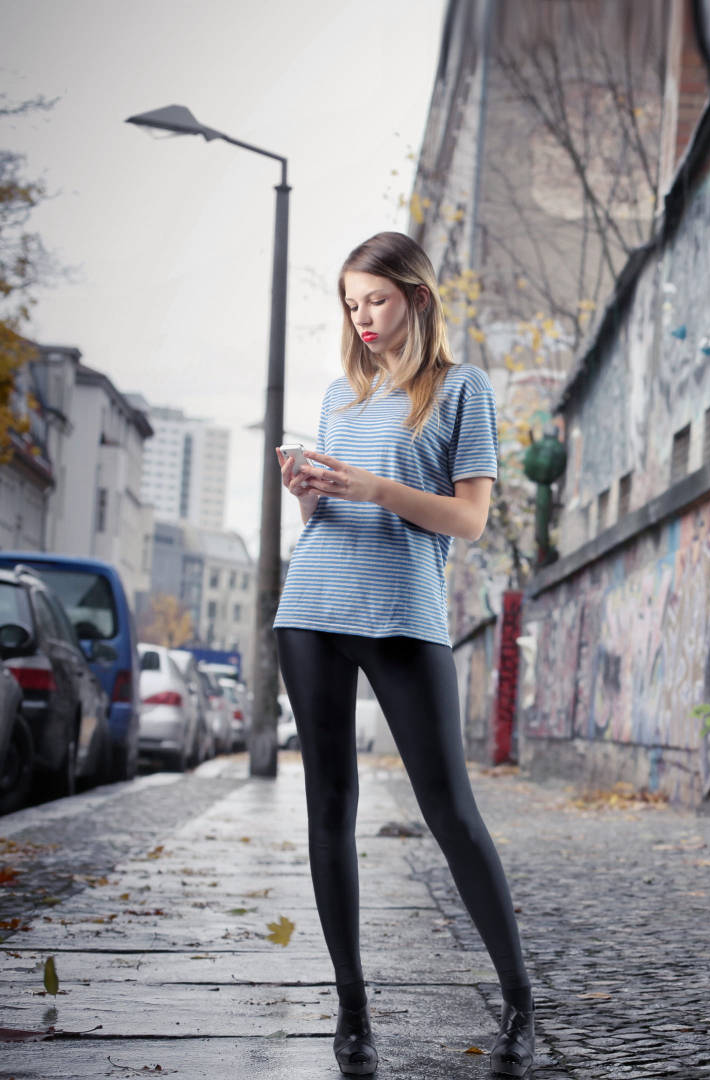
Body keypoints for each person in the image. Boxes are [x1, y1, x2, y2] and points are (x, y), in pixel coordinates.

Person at [272, 230, 535, 1077]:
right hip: (311, 607)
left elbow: (469, 520)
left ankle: (521, 999)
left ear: (417, 297)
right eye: (351, 304)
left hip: (403, 616)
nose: (363, 319)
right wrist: (309, 491)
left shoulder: (462, 391)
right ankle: (352, 1007)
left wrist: (376, 486)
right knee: (328, 808)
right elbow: (328, 523)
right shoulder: (337, 398)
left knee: (451, 811)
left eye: (375, 300)